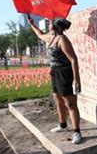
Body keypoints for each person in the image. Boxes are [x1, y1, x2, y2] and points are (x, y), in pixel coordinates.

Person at [27, 15, 83, 144]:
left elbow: (73, 59)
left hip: (65, 73)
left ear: (56, 26)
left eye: (50, 23)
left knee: (71, 104)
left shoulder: (62, 40)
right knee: (58, 101)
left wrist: (76, 79)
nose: (48, 25)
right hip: (54, 72)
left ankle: (77, 132)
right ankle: (63, 125)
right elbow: (40, 35)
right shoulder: (52, 38)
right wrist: (32, 24)